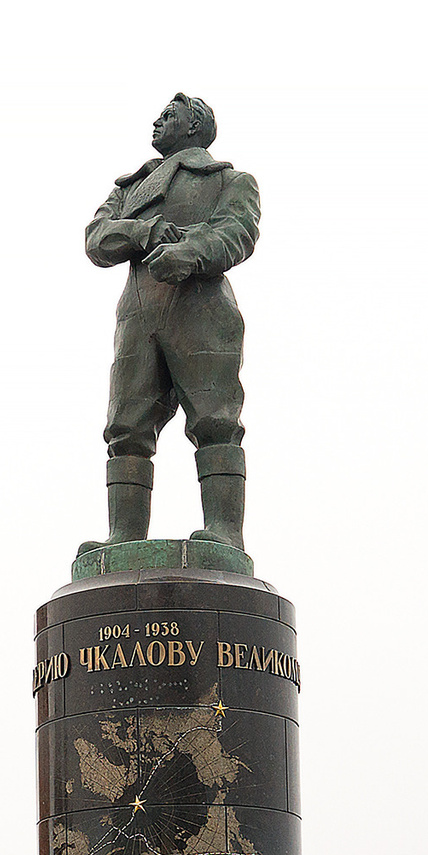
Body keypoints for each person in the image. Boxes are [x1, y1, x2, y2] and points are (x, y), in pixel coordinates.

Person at [82, 93, 261, 554]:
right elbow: (96, 237)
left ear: (195, 126)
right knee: (126, 427)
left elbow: (238, 232)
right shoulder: (129, 188)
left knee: (216, 419)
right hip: (138, 315)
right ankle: (123, 536)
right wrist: (142, 232)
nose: (158, 121)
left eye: (170, 116)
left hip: (201, 311)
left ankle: (225, 531)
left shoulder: (229, 181)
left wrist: (187, 252)